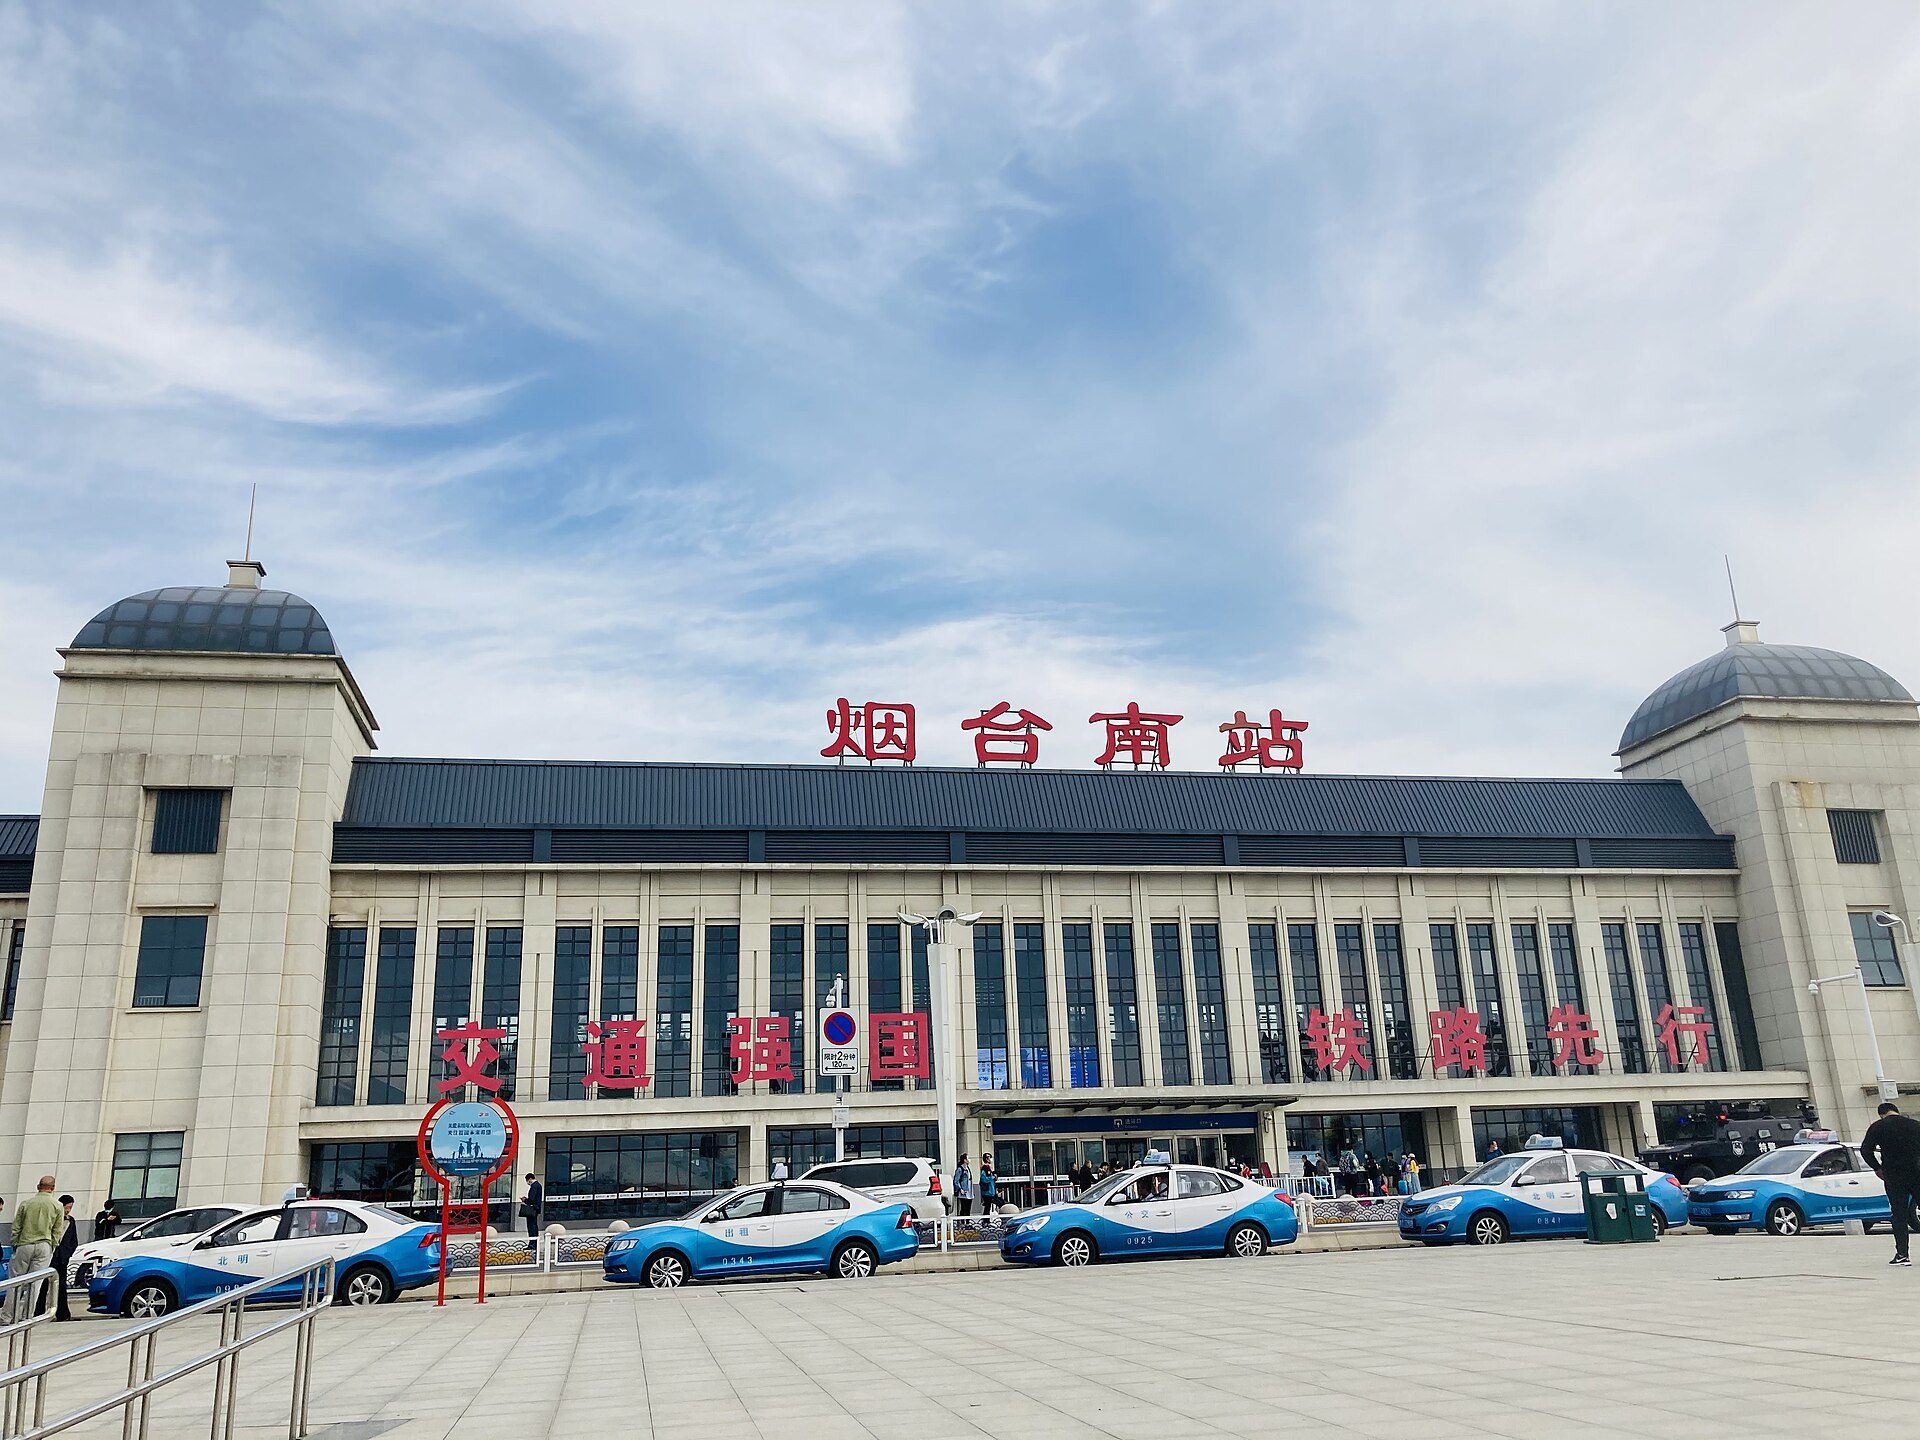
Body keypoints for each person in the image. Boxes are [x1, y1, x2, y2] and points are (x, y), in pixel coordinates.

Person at [1860, 1100, 1920, 1266]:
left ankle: (1902, 1255)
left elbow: (1865, 1150)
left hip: (1894, 1176)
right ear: (1896, 1111)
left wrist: (1877, 1168)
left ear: (1881, 1114)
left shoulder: (1878, 1127)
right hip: (1917, 1173)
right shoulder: (1915, 1125)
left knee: (1899, 1215)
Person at [9, 1176, 62, 1321]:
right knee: (35, 1283)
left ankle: (7, 1316)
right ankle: (27, 1316)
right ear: (52, 1188)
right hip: (44, 1245)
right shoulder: (57, 1206)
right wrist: (53, 1245)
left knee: (15, 1281)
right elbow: (57, 1230)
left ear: (38, 1187)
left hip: (24, 1244)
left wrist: (15, 1242)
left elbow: (16, 1226)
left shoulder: (26, 1204)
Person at [49, 1196, 77, 1321]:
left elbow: (73, 1241)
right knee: (44, 1286)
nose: (68, 1210)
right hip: (50, 1256)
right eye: (66, 1207)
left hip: (62, 1258)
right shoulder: (52, 1218)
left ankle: (63, 1314)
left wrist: (67, 1253)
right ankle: (38, 1312)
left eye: (70, 1208)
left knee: (61, 1286)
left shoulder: (71, 1221)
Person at [518, 1173, 543, 1242]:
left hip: (533, 1209)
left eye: (527, 1180)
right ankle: (534, 1242)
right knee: (534, 1226)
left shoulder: (534, 1186)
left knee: (531, 1227)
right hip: (536, 1208)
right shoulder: (538, 1185)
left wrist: (524, 1200)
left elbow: (531, 1199)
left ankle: (532, 1243)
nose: (527, 1182)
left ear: (530, 1179)